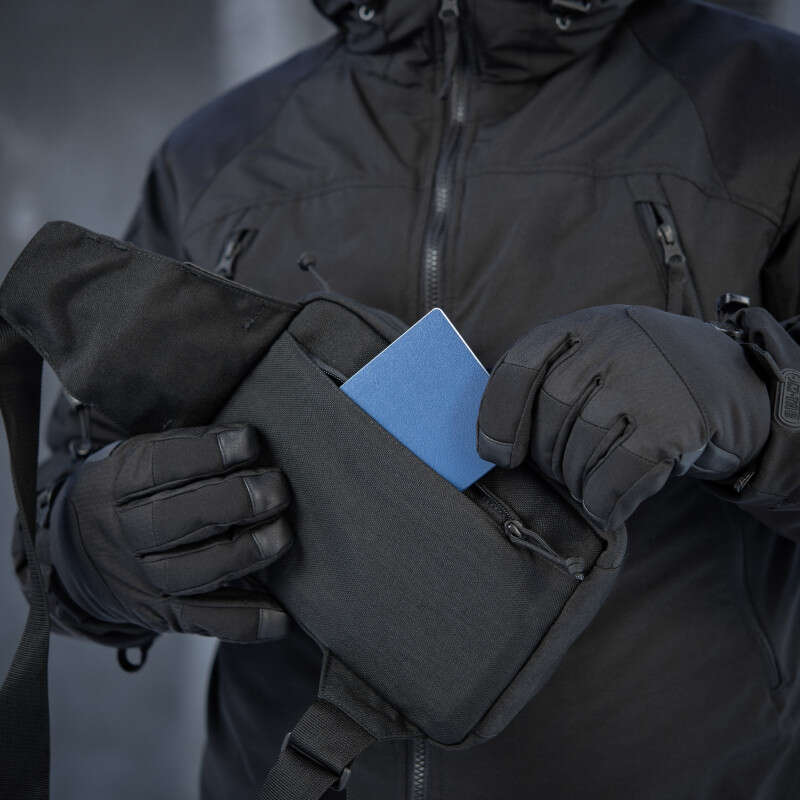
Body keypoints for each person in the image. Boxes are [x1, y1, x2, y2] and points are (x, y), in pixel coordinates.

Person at [12, 0, 800, 797]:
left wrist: (754, 397)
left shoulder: (770, 102)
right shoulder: (215, 151)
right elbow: (60, 500)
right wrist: (87, 545)